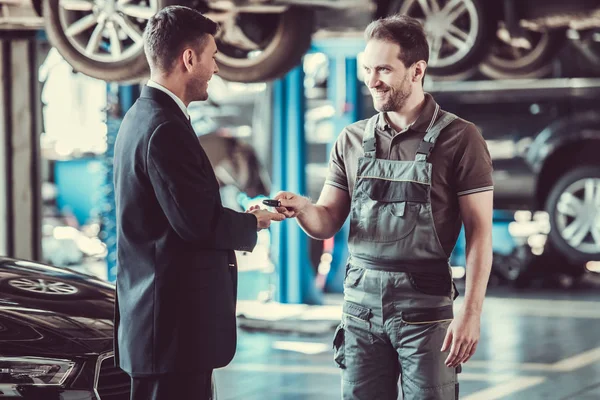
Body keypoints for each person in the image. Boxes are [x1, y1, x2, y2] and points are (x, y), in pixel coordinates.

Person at [274, 14, 493, 400]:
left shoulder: (462, 138)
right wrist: (304, 208)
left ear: (416, 71)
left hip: (425, 313)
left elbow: (480, 234)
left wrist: (471, 313)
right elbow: (327, 220)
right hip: (360, 310)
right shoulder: (351, 139)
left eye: (383, 70)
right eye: (367, 69)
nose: (371, 80)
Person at [112, 6, 285, 400]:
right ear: (189, 59)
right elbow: (196, 224)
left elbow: (180, 213)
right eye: (213, 58)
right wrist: (252, 221)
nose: (216, 69)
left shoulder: (144, 117)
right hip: (171, 332)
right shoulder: (163, 128)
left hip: (163, 330)